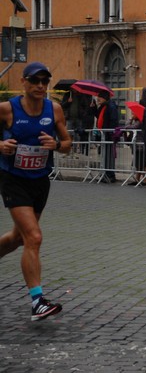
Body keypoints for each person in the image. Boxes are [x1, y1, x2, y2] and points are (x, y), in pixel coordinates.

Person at [0, 61, 72, 321]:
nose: (41, 86)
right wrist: (1, 144)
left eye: (45, 81)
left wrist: (56, 144)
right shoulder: (8, 109)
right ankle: (37, 301)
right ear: (24, 82)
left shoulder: (54, 109)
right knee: (34, 237)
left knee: (20, 238)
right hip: (13, 179)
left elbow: (67, 144)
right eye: (35, 81)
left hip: (40, 180)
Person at [93, 90, 119, 183]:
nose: (97, 98)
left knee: (109, 156)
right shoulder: (103, 106)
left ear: (105, 98)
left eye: (99, 97)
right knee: (104, 155)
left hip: (108, 136)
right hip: (103, 135)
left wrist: (110, 133)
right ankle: (105, 173)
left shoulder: (110, 106)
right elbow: (98, 116)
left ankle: (110, 175)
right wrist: (93, 108)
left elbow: (113, 120)